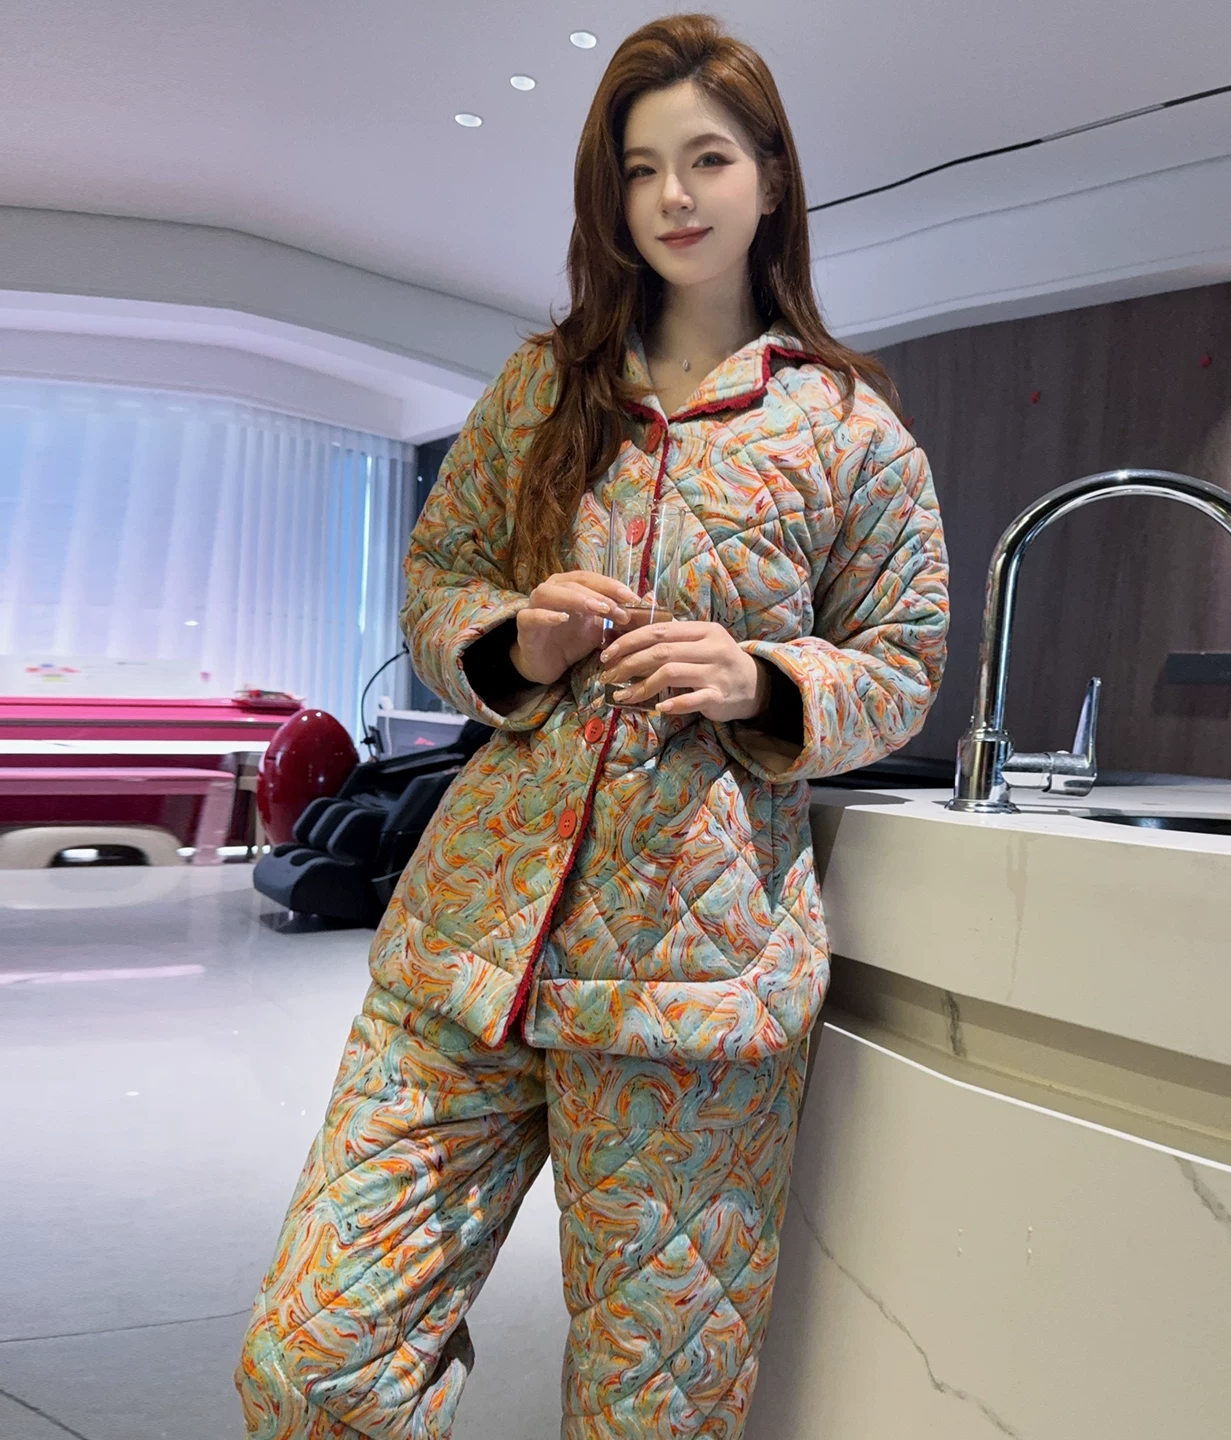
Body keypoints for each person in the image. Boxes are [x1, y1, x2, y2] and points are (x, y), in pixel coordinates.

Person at [235, 12, 949, 1439]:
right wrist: (518, 636)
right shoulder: (544, 386)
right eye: (639, 168)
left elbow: (904, 658)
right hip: (468, 949)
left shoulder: (850, 429)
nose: (673, 196)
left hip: (694, 986)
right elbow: (438, 581)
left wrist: (761, 679)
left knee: (653, 1415)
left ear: (771, 180)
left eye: (707, 159)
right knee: (309, 1367)